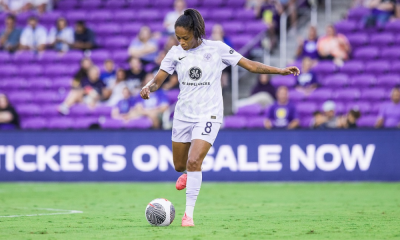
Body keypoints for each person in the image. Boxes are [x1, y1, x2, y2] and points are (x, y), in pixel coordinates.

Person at [139, 9, 300, 226]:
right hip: (183, 115)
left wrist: (280, 71)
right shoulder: (175, 53)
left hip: (209, 114)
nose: (182, 42)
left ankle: (189, 215)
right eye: (179, 38)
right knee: (180, 165)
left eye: (185, 38)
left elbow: (251, 66)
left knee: (194, 160)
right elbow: (158, 80)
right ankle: (188, 173)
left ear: (196, 32)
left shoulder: (217, 49)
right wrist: (149, 87)